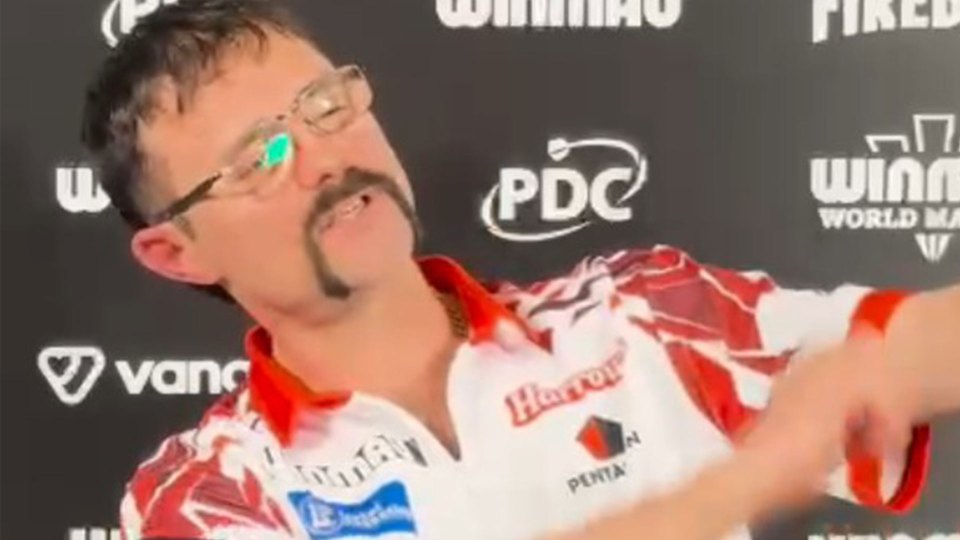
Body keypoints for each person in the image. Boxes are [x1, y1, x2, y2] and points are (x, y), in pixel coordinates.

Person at [78, 1, 960, 539]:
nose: (325, 159)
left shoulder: (637, 316)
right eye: (257, 159)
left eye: (323, 106)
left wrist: (883, 365)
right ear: (176, 251)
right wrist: (739, 485)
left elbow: (920, 345)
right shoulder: (202, 498)